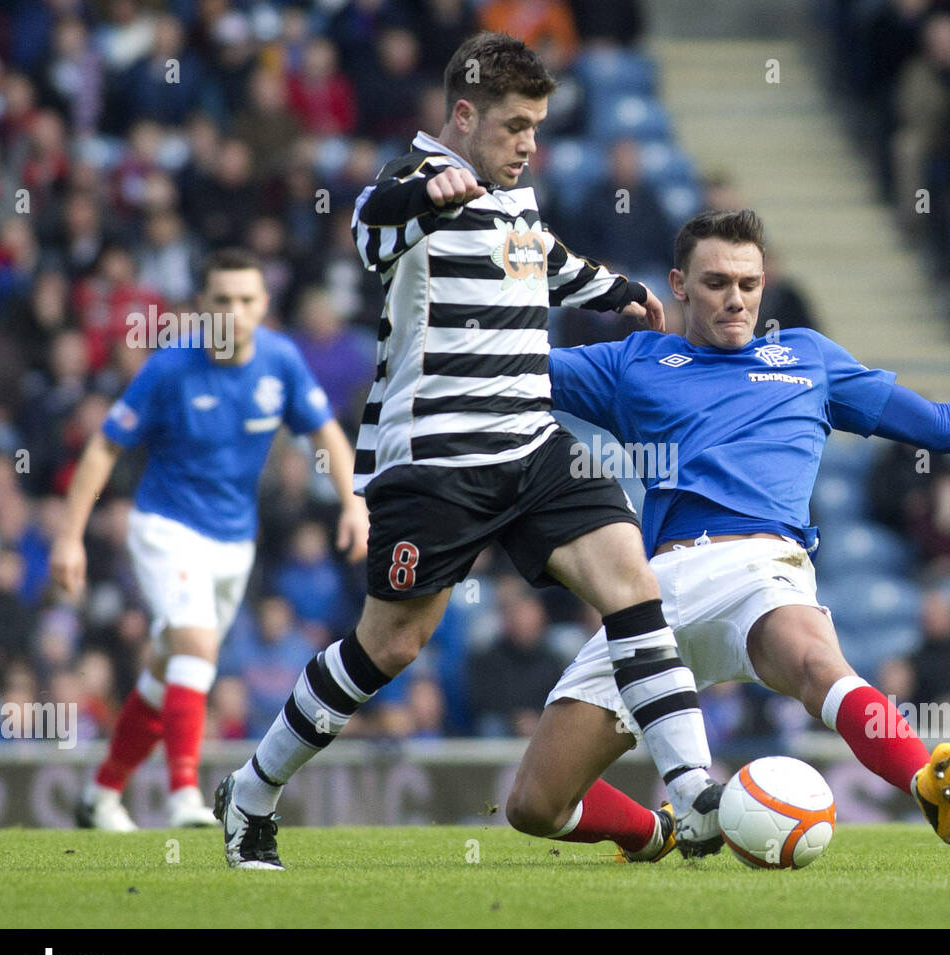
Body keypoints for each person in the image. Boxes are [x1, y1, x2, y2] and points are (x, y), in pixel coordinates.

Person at [504, 209, 950, 859]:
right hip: (654, 594)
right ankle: (658, 831)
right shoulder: (636, 361)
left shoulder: (808, 359)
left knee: (818, 660)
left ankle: (923, 780)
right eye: (716, 283)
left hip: (763, 565)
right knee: (535, 804)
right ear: (678, 284)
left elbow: (940, 425)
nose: (736, 299)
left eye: (749, 283)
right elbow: (509, 370)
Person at [214, 32, 719, 869]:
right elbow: (369, 228)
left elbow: (542, 260)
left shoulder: (515, 194)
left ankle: (694, 790)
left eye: (538, 126)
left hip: (532, 443)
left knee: (631, 580)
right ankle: (255, 789)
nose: (529, 141)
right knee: (390, 647)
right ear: (463, 114)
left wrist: (619, 291)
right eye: (515, 124)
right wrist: (428, 197)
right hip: (436, 459)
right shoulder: (411, 187)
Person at [50, 248, 367, 830]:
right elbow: (103, 446)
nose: (236, 312)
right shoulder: (170, 368)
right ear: (202, 305)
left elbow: (325, 431)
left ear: (264, 304)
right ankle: (183, 797)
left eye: (247, 300)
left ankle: (100, 795)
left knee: (169, 666)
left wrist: (352, 502)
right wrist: (69, 538)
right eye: (223, 300)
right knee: (194, 646)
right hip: (165, 527)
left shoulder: (279, 360)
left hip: (234, 543)